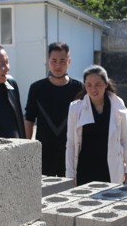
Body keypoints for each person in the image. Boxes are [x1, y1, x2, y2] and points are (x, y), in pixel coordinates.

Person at [65, 65, 127, 185]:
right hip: (84, 170)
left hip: (110, 169)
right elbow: (71, 144)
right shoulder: (75, 108)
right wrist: (70, 175)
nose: (93, 89)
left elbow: (125, 139)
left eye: (98, 84)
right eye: (89, 85)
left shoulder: (117, 104)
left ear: (106, 84)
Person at [24, 42, 84, 176]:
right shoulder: (36, 88)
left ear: (69, 61)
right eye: (54, 61)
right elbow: (29, 119)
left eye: (62, 61)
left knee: (69, 188)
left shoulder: (79, 88)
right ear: (48, 61)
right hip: (44, 152)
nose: (58, 66)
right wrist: (26, 148)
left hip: (70, 152)